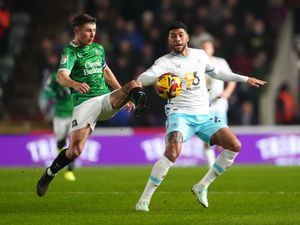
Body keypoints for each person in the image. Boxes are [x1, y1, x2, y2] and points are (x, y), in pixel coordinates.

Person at [135, 21, 266, 211]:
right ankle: (144, 200)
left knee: (234, 146)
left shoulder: (200, 55)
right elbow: (142, 79)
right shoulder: (164, 62)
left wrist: (245, 79)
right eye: (173, 35)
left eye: (181, 34)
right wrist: (157, 76)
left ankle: (202, 186)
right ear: (169, 39)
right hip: (179, 116)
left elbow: (219, 73)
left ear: (188, 37)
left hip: (205, 115)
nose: (177, 39)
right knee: (172, 153)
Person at [36, 13, 148, 197]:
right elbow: (61, 76)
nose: (92, 34)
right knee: (75, 151)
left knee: (134, 85)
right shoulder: (69, 52)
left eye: (94, 30)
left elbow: (106, 72)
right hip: (85, 104)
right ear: (77, 30)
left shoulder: (98, 49)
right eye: (88, 30)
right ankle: (49, 174)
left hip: (104, 99)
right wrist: (75, 84)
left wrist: (123, 92)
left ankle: (139, 102)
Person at [199, 38, 236, 167]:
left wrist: (226, 93)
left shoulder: (220, 62)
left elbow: (231, 80)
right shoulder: (195, 64)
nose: (205, 50)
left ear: (212, 49)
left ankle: (220, 163)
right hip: (202, 107)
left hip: (219, 105)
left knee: (223, 140)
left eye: (208, 47)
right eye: (203, 48)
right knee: (209, 138)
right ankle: (211, 166)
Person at [43, 71, 76, 181]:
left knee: (74, 142)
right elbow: (47, 90)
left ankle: (70, 170)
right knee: (61, 140)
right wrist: (55, 94)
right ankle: (59, 162)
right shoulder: (54, 76)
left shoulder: (78, 74)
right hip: (60, 114)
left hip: (75, 113)